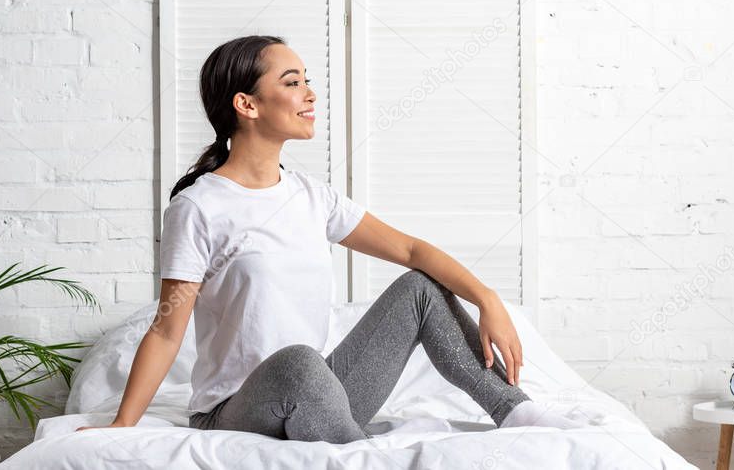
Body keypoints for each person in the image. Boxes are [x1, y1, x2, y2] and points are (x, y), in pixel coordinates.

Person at [77, 34, 584, 441]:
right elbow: (167, 330)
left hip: (322, 390)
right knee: (300, 363)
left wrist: (487, 299)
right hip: (236, 410)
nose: (310, 94)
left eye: (307, 81)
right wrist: (124, 426)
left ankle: (514, 412)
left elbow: (411, 251)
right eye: (293, 82)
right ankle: (355, 450)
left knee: (420, 289)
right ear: (246, 104)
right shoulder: (199, 207)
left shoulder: (310, 196)